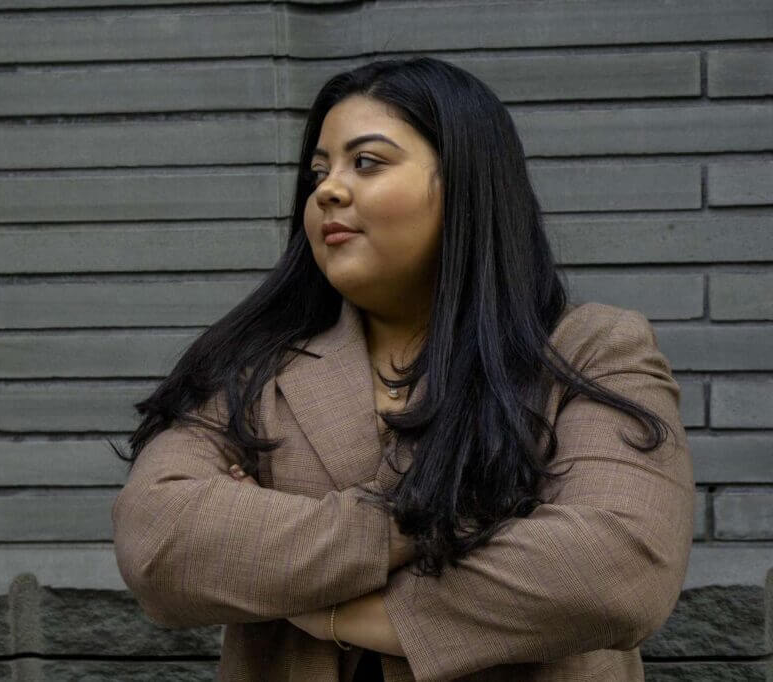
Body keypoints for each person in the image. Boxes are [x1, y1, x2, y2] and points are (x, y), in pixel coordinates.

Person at [111, 57, 694, 681]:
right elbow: (160, 543)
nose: (328, 189)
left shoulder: (590, 351)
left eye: (367, 162)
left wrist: (325, 608)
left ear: (466, 182)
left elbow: (614, 571)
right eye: (319, 172)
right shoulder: (253, 368)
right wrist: (416, 522)